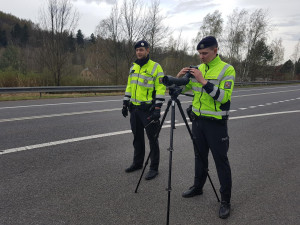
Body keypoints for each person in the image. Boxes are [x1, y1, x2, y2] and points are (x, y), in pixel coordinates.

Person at [177, 36, 235, 219]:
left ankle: (225, 200)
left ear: (215, 50)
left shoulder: (227, 69)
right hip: (198, 121)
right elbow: (183, 92)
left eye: (205, 53)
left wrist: (204, 81)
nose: (201, 57)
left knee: (221, 161)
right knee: (199, 157)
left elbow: (223, 97)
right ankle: (198, 187)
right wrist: (178, 80)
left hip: (216, 124)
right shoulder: (198, 69)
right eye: (199, 54)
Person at [122, 40, 166, 180]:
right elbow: (130, 85)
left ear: (148, 50)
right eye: (137, 50)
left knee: (152, 139)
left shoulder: (155, 67)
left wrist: (157, 108)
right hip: (134, 109)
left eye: (141, 50)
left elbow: (161, 88)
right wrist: (125, 102)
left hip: (148, 109)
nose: (139, 52)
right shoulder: (133, 67)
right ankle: (137, 163)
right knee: (137, 138)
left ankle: (154, 168)